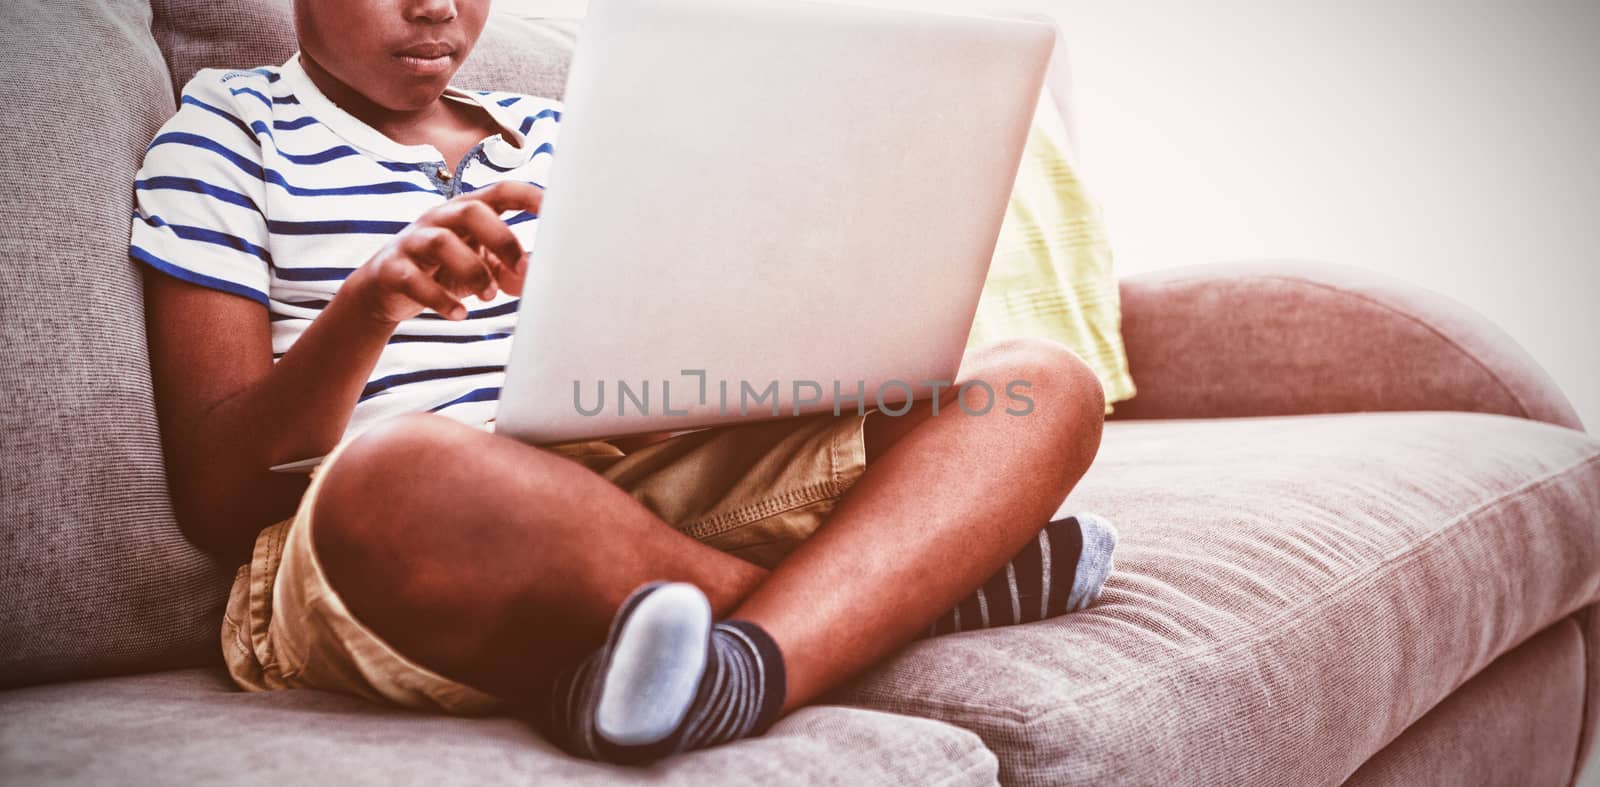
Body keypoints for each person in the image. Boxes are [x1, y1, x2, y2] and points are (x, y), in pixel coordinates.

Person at [133, 0, 1117, 765]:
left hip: (641, 469)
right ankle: (893, 600)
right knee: (404, 467)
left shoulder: (562, 126)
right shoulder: (227, 133)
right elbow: (221, 495)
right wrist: (371, 308)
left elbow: (684, 330)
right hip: (391, 529)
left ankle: (732, 666)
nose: (434, 9)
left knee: (1036, 383)